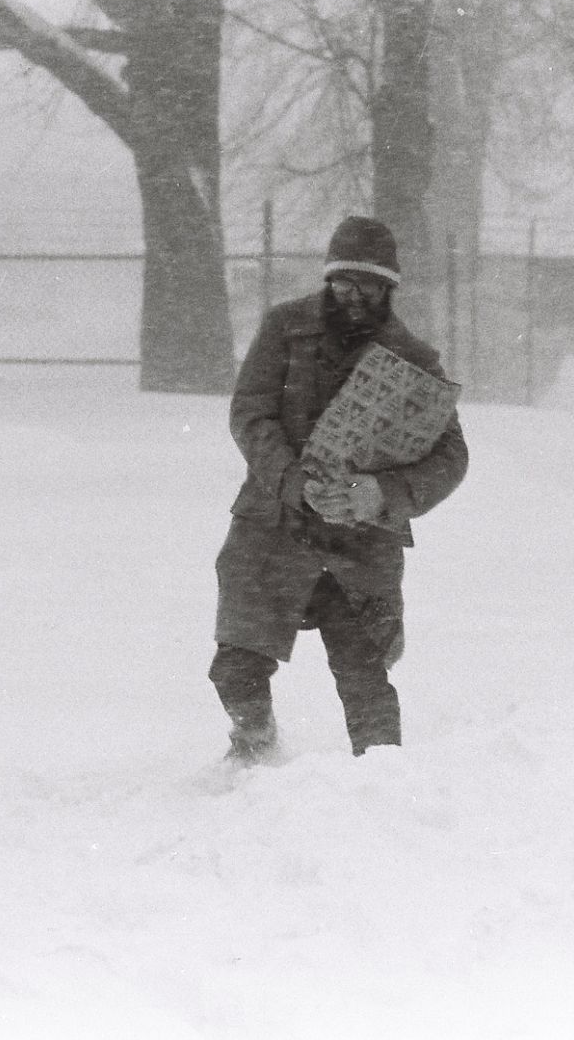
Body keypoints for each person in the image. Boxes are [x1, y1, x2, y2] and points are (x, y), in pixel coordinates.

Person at [210, 216, 468, 763]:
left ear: (388, 289)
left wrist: (382, 493)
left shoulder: (414, 360)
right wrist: (292, 480)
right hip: (272, 530)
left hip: (360, 548)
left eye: (369, 286)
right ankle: (253, 748)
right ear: (327, 280)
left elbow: (451, 455)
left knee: (365, 680)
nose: (353, 296)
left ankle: (381, 785)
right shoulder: (284, 328)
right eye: (343, 283)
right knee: (236, 666)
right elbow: (251, 413)